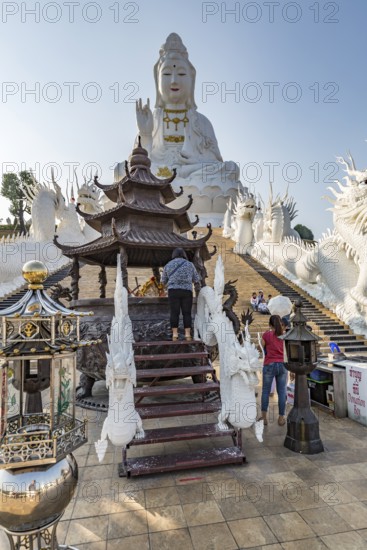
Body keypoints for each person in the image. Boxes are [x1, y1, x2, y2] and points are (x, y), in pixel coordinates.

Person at [161, 248, 200, 340]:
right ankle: (187, 334)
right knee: (187, 313)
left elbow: (163, 281)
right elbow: (196, 279)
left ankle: (175, 334)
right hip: (187, 291)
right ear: (184, 255)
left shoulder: (168, 265)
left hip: (173, 291)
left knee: (174, 313)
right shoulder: (190, 265)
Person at [260, 315, 288, 426]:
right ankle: (281, 418)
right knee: (282, 392)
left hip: (269, 364)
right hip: (282, 364)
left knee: (265, 391)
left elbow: (261, 347)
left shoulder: (266, 335)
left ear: (270, 324)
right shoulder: (285, 335)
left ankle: (264, 418)